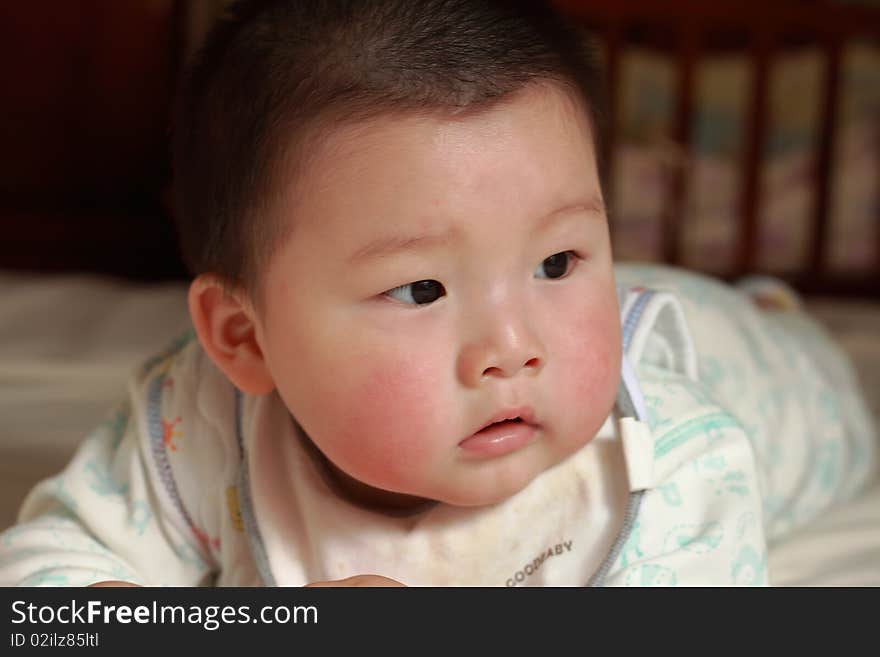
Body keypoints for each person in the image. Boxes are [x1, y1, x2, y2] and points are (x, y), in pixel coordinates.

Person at [0, 0, 875, 587]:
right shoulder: (194, 421)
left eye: (561, 258)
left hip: (771, 377)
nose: (511, 344)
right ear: (245, 339)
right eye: (421, 288)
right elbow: (47, 600)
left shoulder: (672, 465)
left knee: (743, 337)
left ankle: (756, 307)